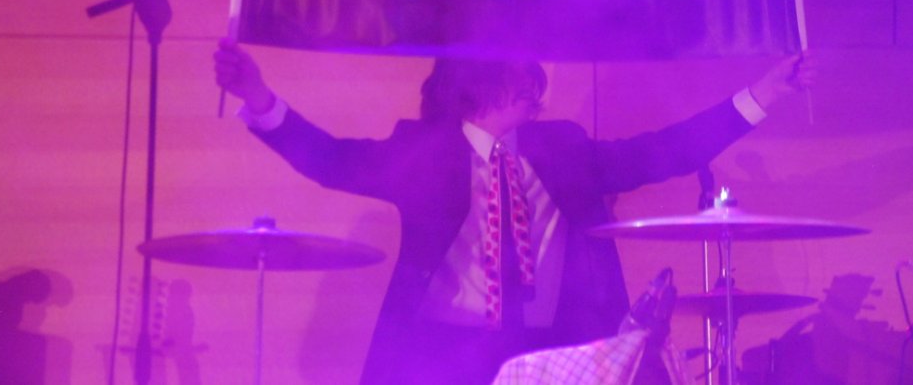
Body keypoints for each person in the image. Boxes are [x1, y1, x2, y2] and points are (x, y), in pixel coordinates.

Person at [213, 39, 815, 385]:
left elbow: (663, 151)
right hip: (440, 355)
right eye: (522, 79)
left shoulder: (564, 148)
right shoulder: (423, 152)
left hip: (551, 356)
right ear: (483, 86)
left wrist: (765, 92)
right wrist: (258, 98)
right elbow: (332, 160)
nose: (536, 91)